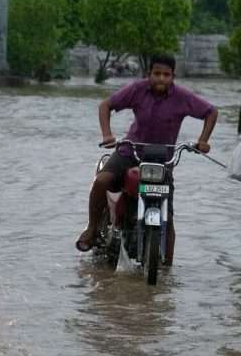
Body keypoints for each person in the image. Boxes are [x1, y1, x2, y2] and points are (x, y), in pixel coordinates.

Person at [75, 53, 217, 265]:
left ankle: (168, 267)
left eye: (166, 75)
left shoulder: (183, 97)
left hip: (161, 162)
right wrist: (107, 135)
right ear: (148, 74)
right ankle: (92, 228)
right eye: (157, 73)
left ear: (173, 76)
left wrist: (203, 141)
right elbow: (106, 105)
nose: (161, 78)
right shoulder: (136, 89)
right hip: (129, 152)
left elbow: (211, 112)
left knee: (167, 215)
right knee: (102, 181)